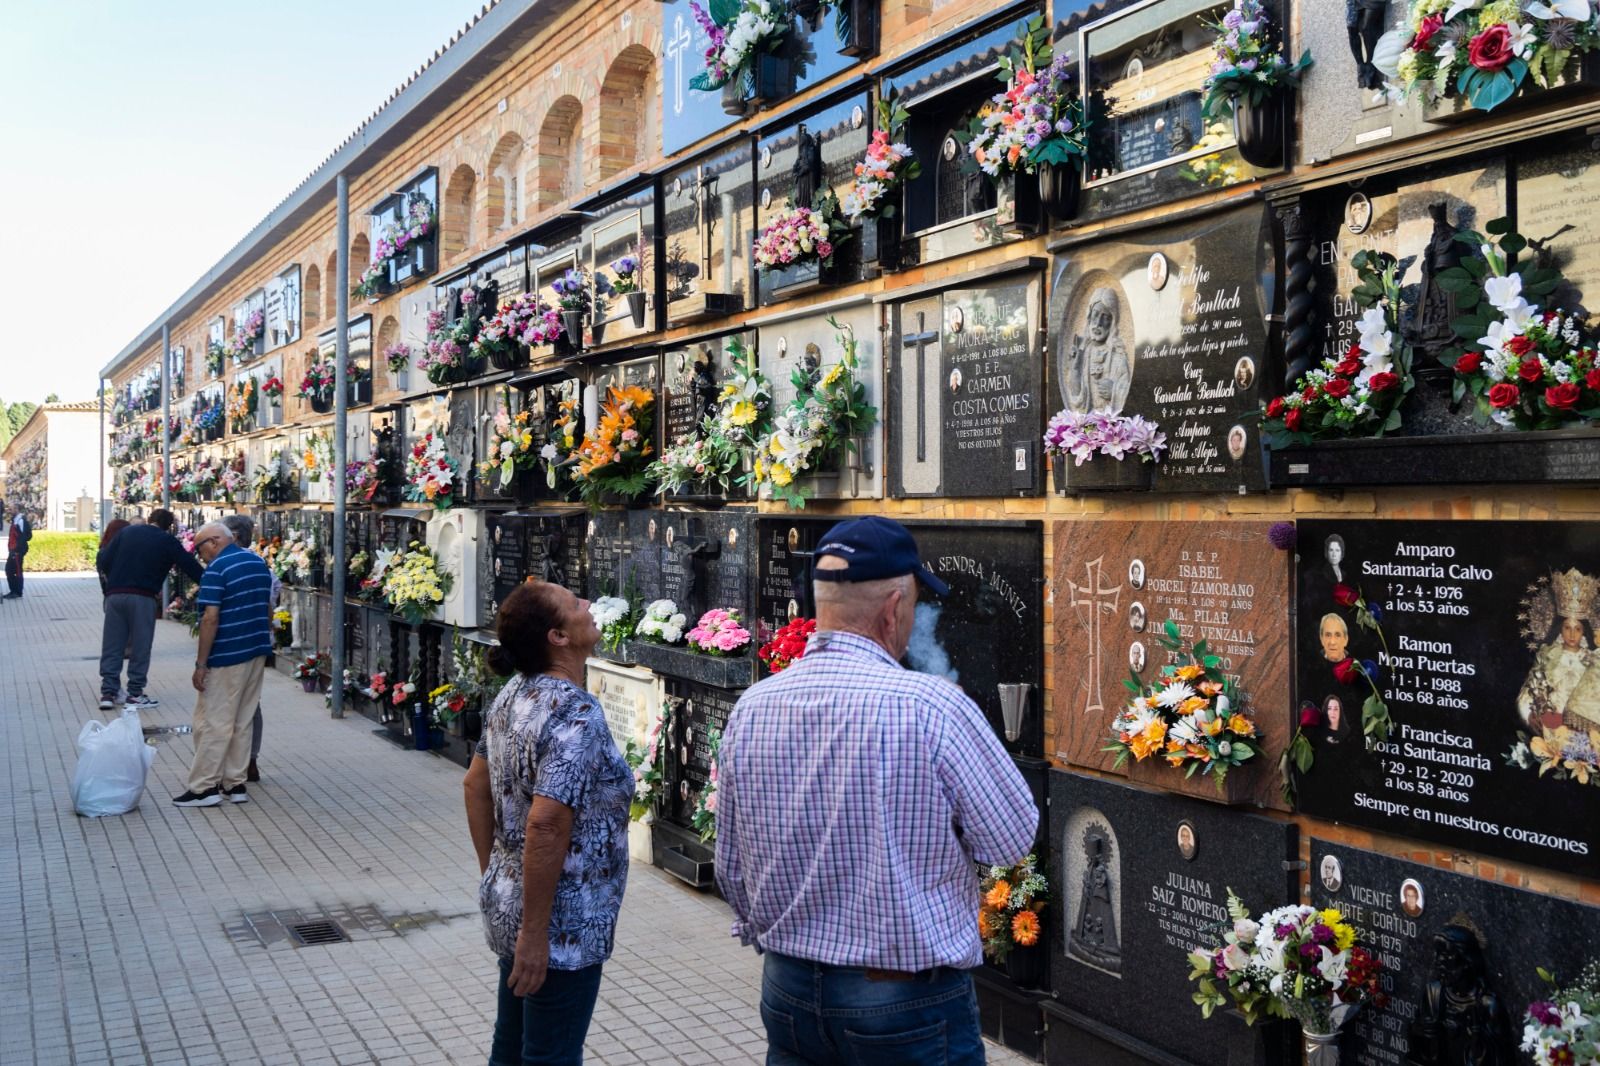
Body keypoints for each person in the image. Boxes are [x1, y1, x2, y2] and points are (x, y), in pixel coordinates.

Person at [715, 516, 1038, 1066]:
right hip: (904, 1001)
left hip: (788, 989)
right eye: (913, 606)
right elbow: (1009, 841)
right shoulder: (932, 707)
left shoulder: (753, 708)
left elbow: (730, 868)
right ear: (893, 608)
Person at [463, 581, 633, 1066]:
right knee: (550, 1056)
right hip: (562, 925)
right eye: (576, 603)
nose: (588, 603)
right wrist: (535, 933)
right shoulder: (576, 713)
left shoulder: (514, 691)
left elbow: (474, 786)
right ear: (558, 636)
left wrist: (500, 873)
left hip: (516, 904)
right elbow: (546, 825)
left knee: (512, 1050)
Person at [172, 521, 273, 808]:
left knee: (214, 721)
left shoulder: (217, 570)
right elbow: (266, 606)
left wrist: (201, 664)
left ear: (214, 542)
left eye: (199, 548)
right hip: (256, 650)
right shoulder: (256, 562)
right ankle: (235, 783)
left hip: (228, 654)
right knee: (242, 720)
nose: (199, 555)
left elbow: (210, 619)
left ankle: (204, 787)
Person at [95, 508, 204, 711]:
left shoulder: (126, 532)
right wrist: (211, 581)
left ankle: (108, 693)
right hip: (143, 597)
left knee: (112, 644)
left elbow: (103, 559)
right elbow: (188, 565)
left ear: (149, 520)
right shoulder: (167, 540)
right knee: (140, 646)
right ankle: (135, 693)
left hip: (115, 595)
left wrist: (117, 577)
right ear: (168, 526)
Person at [222, 514, 280, 783]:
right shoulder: (263, 567)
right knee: (250, 704)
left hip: (231, 645)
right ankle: (250, 760)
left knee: (227, 705)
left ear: (232, 537)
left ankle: (231, 763)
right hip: (258, 642)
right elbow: (270, 603)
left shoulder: (225, 565)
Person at [5, 504, 33, 598]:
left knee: (17, 570)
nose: (9, 511)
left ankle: (17, 592)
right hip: (13, 550)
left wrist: (17, 550)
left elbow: (25, 537)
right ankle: (13, 591)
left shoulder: (21, 521)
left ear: (16, 509)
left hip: (17, 551)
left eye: (11, 509)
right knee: (9, 570)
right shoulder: (15, 520)